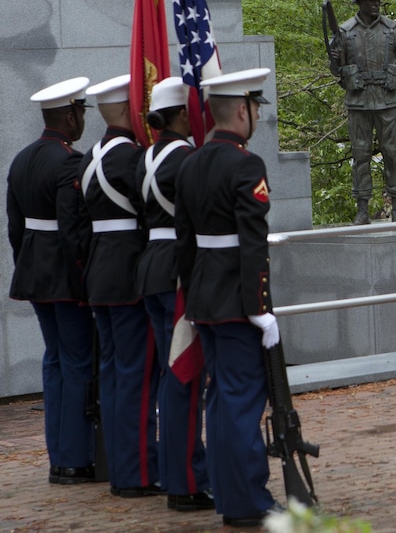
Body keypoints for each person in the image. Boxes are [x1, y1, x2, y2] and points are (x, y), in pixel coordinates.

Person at [174, 68, 279, 528]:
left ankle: (227, 493)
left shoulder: (190, 162)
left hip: (204, 298)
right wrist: (259, 309)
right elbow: (253, 242)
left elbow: (183, 243)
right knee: (240, 400)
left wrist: (194, 301)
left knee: (219, 400)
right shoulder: (245, 165)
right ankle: (246, 501)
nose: (256, 114)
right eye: (255, 107)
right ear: (242, 110)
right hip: (238, 301)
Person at [7, 77, 97, 484]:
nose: (81, 121)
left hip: (34, 274)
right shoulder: (68, 161)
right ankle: (76, 459)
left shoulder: (22, 159)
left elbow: (14, 228)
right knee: (77, 361)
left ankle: (59, 456)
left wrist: (27, 263)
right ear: (69, 114)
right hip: (65, 277)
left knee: (54, 360)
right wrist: (83, 281)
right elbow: (71, 229)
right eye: (80, 112)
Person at [134, 77, 214, 513]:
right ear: (182, 115)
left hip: (149, 267)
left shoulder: (144, 156)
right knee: (185, 377)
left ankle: (173, 472)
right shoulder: (185, 158)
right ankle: (187, 480)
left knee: (170, 377)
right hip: (177, 271)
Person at [79, 74, 160, 497]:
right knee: (137, 375)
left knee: (112, 373)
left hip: (98, 272)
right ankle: (138, 471)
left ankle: (119, 464)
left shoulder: (89, 156)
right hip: (129, 270)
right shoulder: (131, 157)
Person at [328, 0, 396, 225]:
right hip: (358, 102)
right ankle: (362, 208)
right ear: (360, 3)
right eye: (371, 0)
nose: (376, 4)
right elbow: (336, 70)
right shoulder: (345, 32)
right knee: (360, 155)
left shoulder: (392, 29)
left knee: (392, 153)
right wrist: (335, 59)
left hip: (388, 101)